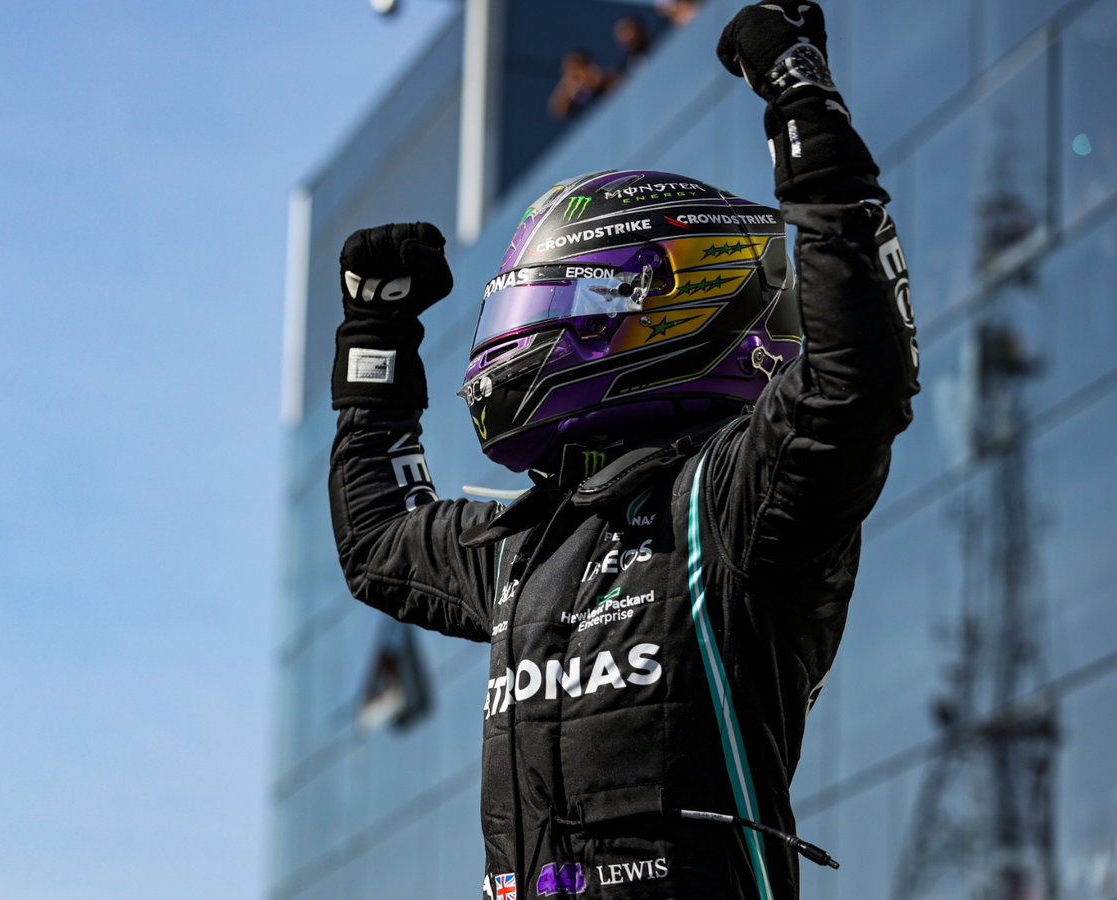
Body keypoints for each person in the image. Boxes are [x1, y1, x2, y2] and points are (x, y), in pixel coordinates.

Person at [326, 3, 919, 898]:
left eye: (559, 309)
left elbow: (856, 380)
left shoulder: (729, 505)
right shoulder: (524, 549)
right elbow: (380, 542)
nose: (517, 343)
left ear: (669, 302)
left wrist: (804, 110)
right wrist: (376, 335)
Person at [548, 49, 613, 121]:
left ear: (588, 68)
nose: (573, 77)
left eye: (576, 69)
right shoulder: (574, 96)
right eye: (567, 73)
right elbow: (556, 109)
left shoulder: (608, 79)